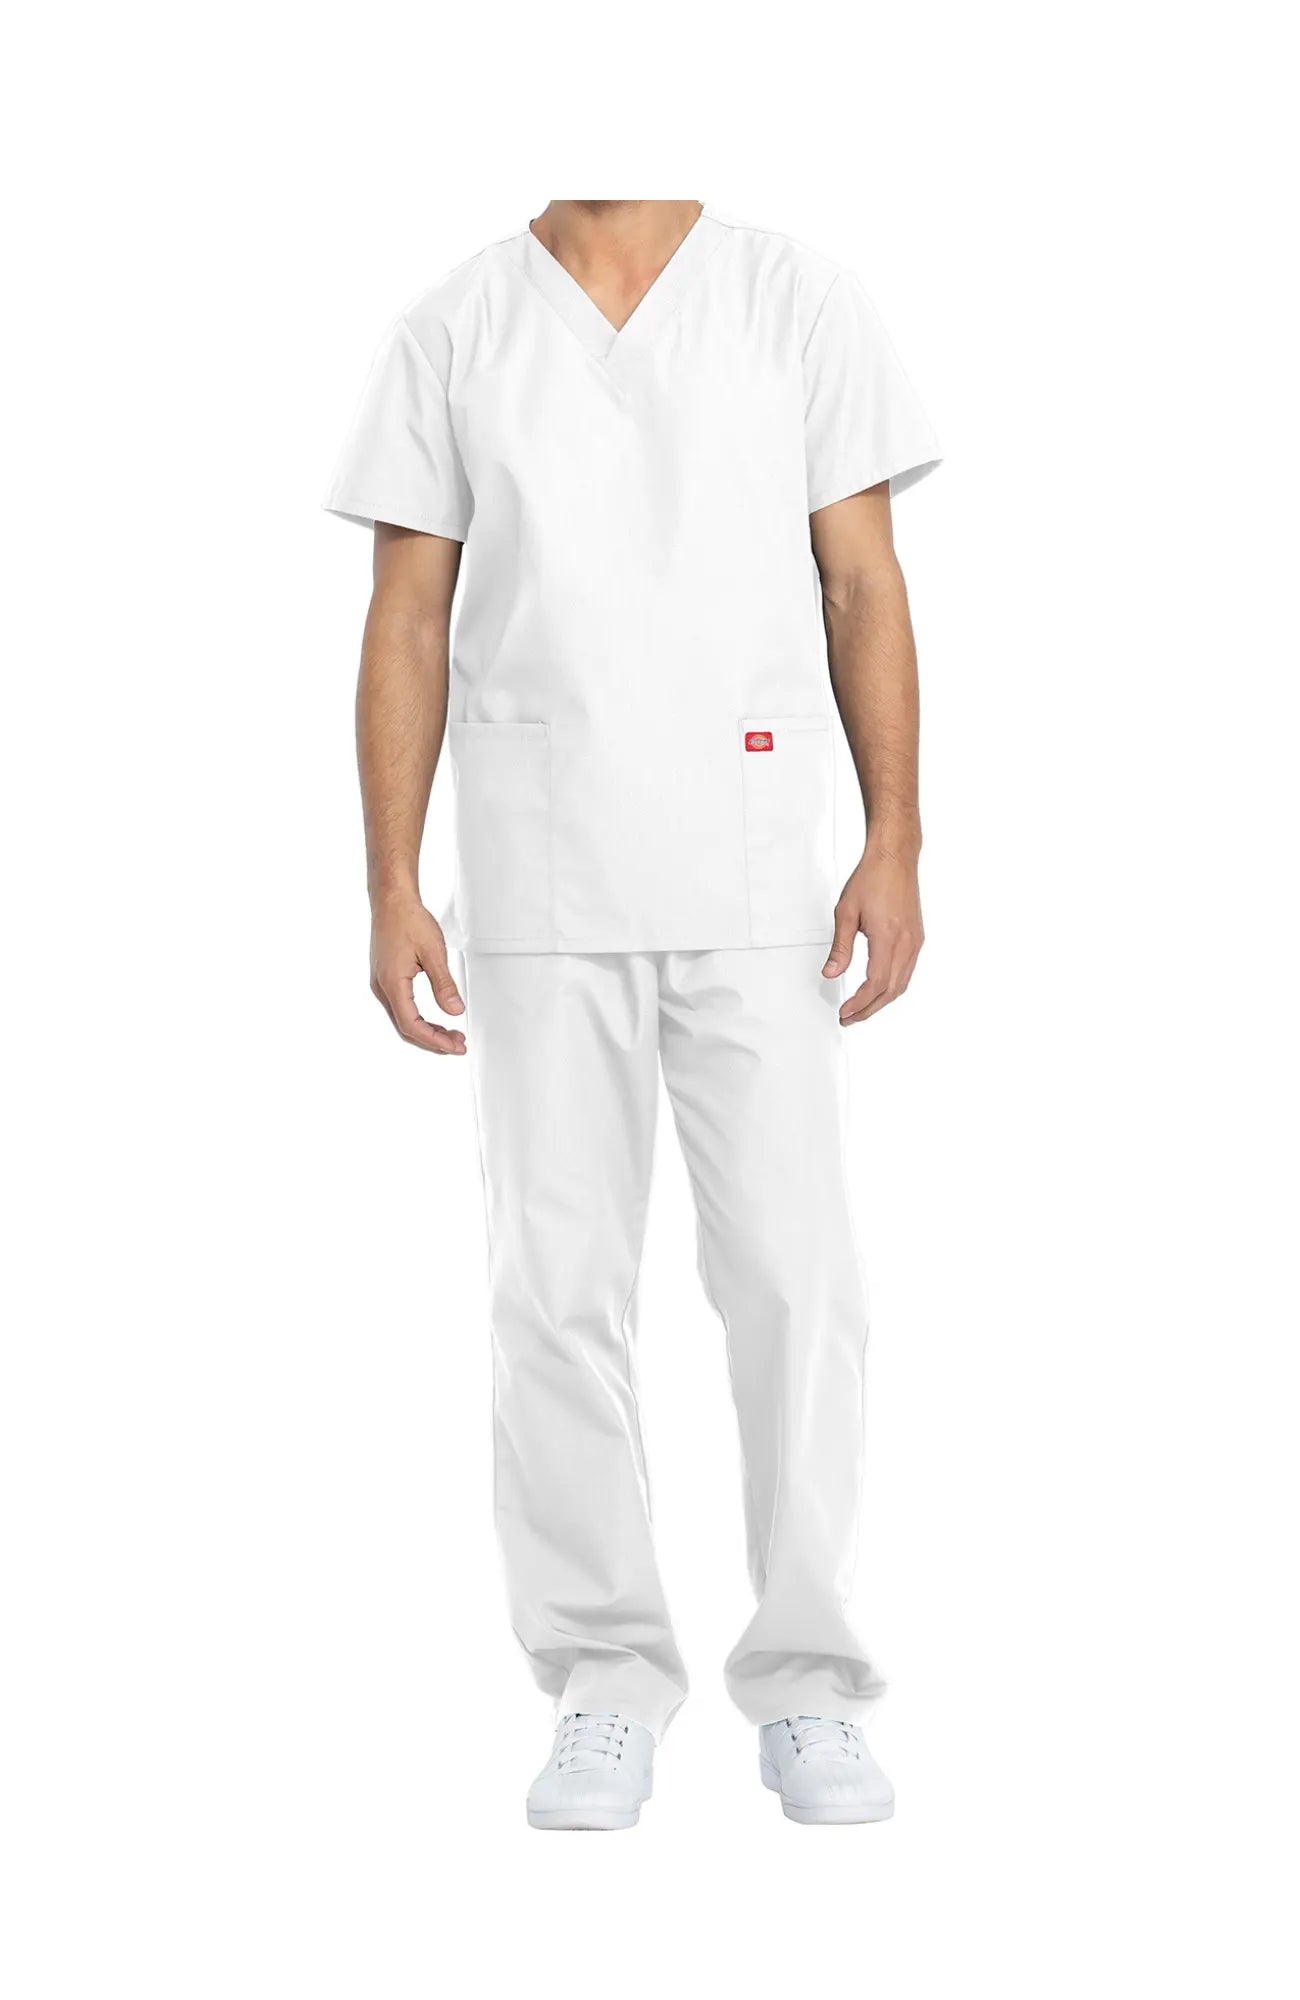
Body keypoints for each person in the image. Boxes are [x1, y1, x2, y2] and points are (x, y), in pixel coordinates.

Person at [327, 200, 938, 1829]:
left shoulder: (793, 301)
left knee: (798, 1282)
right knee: (553, 1292)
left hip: (754, 867)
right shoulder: (456, 329)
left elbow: (862, 582)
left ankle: (809, 1686)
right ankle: (604, 1677)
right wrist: (392, 880)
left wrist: (894, 836)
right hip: (538, 868)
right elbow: (407, 616)